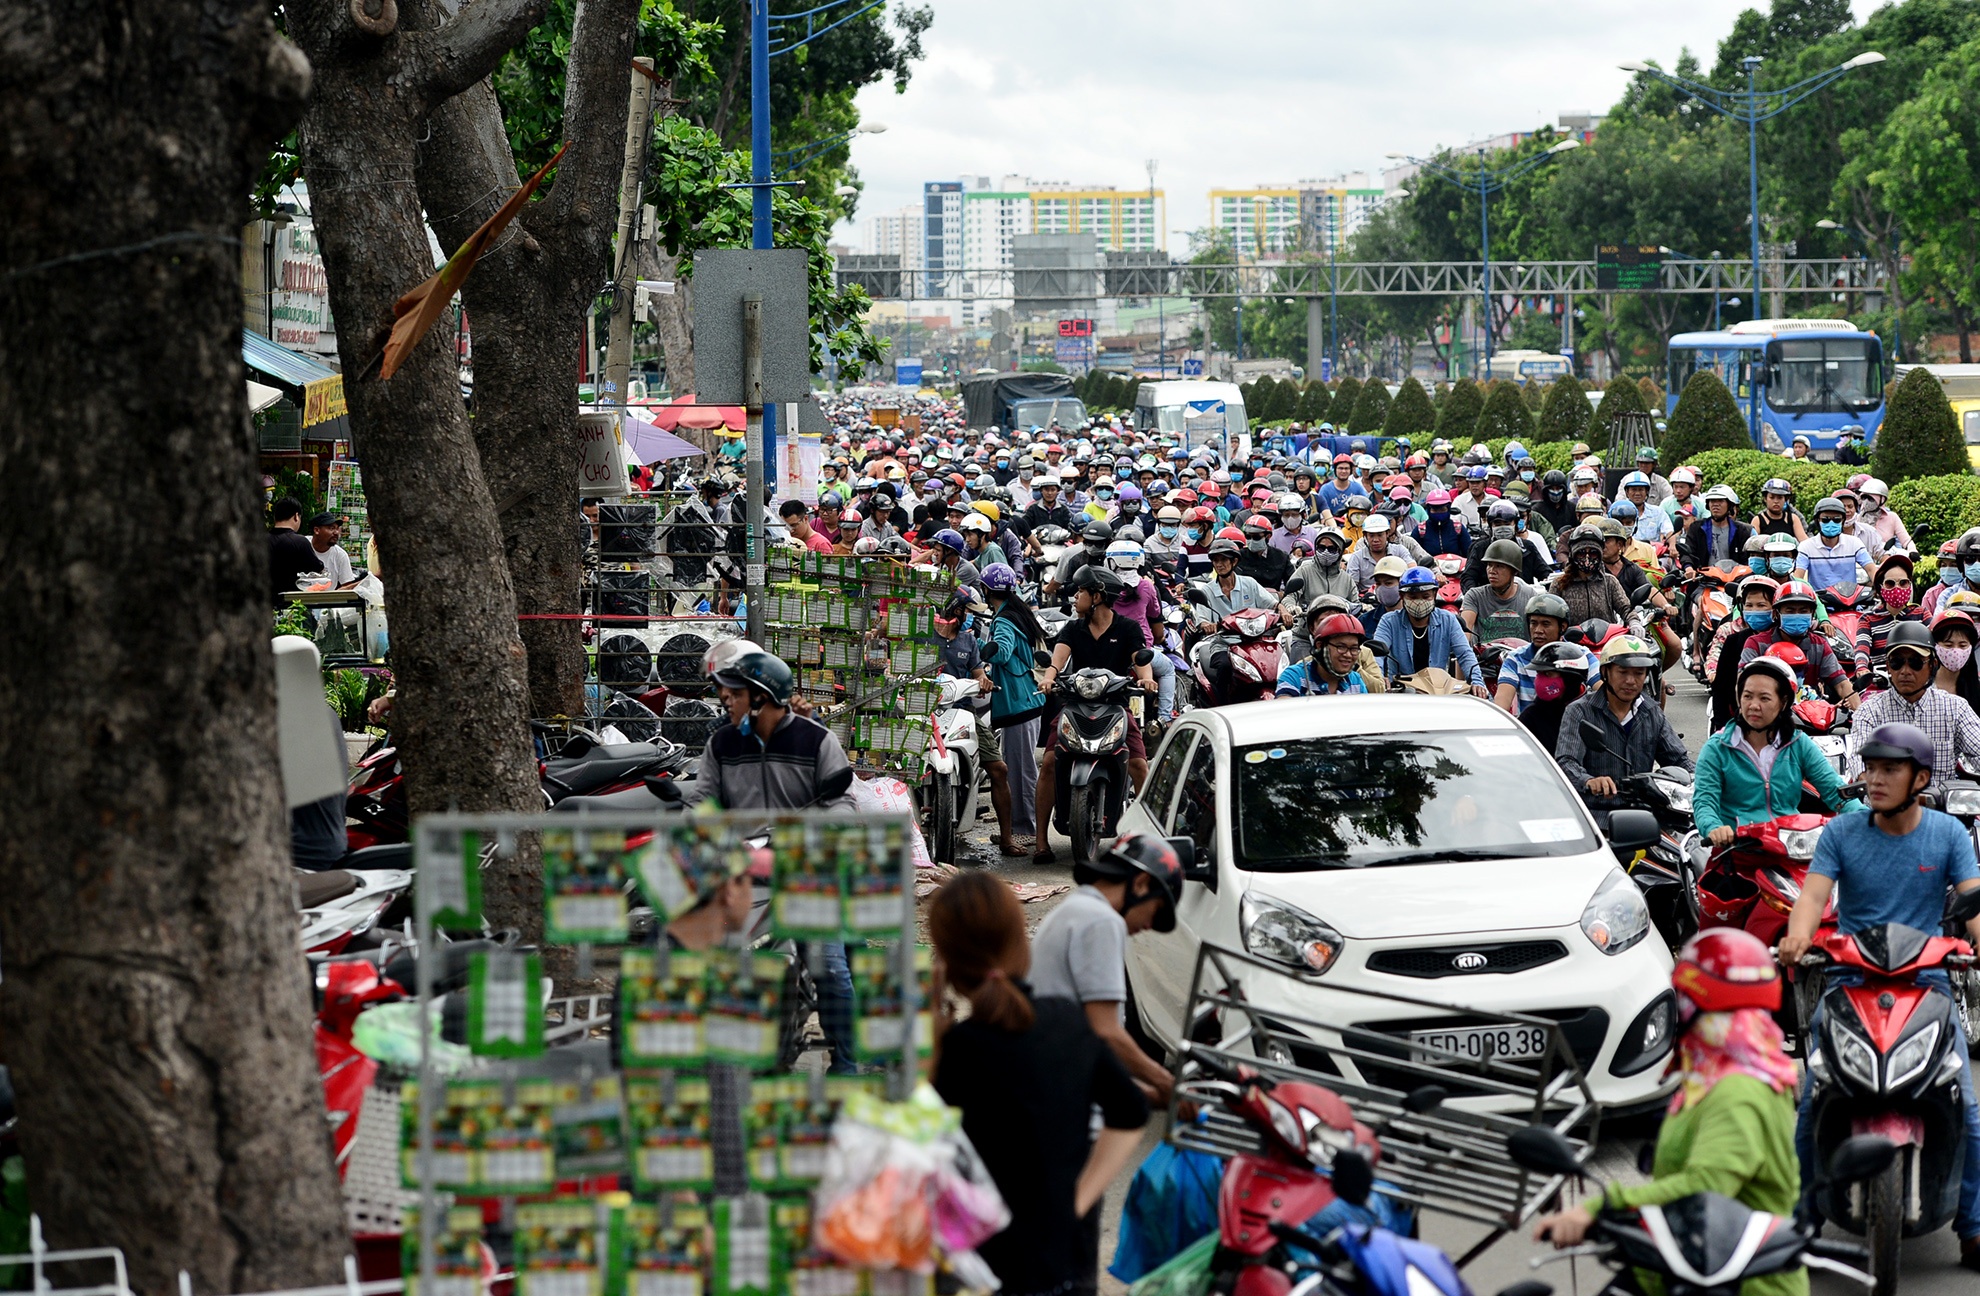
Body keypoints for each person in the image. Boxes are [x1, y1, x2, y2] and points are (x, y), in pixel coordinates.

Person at [1778, 722, 1980, 1268]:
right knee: (1813, 1101)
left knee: (1969, 1107)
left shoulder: (1948, 835)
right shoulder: (1843, 833)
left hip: (1928, 985)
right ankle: (1800, 1220)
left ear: (1921, 778)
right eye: (1870, 768)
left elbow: (1971, 903)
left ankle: (1974, 1227)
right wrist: (1798, 937)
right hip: (1850, 982)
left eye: (1890, 769)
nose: (1875, 778)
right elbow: (1813, 896)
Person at [1533, 930, 1805, 1296]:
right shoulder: (1717, 1076)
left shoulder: (1737, 1090)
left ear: (1694, 1005)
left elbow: (1705, 1188)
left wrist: (1598, 1209)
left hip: (1737, 1281)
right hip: (1688, 1265)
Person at [929, 872, 1149, 1296]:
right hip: (1063, 1263)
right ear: (1020, 942)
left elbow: (922, 1144)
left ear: (947, 960)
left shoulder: (960, 1049)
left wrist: (934, 1032)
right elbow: (1131, 1113)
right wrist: (1077, 1203)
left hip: (990, 1268)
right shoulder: (1068, 1021)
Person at [1028, 832, 1182, 1108]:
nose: (1149, 925)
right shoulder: (1101, 921)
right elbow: (1106, 1033)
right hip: (1061, 1103)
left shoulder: (1078, 909)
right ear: (1142, 884)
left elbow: (1090, 1049)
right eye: (1155, 911)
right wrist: (1166, 1082)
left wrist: (1148, 1095)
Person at [1033, 566, 1155, 864]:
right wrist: (1048, 678)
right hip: (1074, 704)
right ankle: (1040, 842)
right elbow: (1057, 660)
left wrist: (1147, 678)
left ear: (1098, 596)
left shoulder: (1127, 628)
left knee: (1139, 764)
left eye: (1080, 592)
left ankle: (1152, 838)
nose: (1075, 598)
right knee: (1049, 761)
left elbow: (1141, 661)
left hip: (1116, 705)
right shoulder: (1073, 628)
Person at [1693, 658, 1862, 846]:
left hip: (1792, 847)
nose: (1754, 705)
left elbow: (1835, 792)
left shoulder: (1799, 744)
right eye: (1747, 696)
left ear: (1783, 703)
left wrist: (1869, 821)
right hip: (1736, 852)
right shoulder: (1717, 747)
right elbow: (1705, 801)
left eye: (1764, 698)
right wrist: (1714, 828)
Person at [1554, 636, 1694, 825]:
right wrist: (1588, 781)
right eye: (1622, 672)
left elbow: (1679, 760)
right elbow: (1566, 762)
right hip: (1595, 817)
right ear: (1605, 672)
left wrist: (1706, 779)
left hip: (1645, 818)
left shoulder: (1652, 711)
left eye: (1638, 673)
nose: (1630, 681)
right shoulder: (1579, 711)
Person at [1846, 622, 1980, 794]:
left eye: (1915, 662)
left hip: (1942, 814)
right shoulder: (1868, 712)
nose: (1905, 671)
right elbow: (1859, 763)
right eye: (1897, 662)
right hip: (1886, 814)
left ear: (1932, 665)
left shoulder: (1956, 708)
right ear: (1887, 667)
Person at [981, 564, 1047, 856]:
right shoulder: (1014, 612)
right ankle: (1021, 826)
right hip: (1025, 699)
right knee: (1018, 767)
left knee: (1021, 771)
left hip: (1019, 701)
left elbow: (1003, 651)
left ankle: (1026, 830)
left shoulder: (1004, 621)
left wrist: (984, 647)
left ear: (987, 590)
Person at [1738, 582, 1860, 709]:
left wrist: (1858, 711)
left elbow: (1841, 684)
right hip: (1768, 714)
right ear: (1776, 613)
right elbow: (1742, 682)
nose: (1796, 615)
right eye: (1790, 611)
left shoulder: (1819, 644)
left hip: (1812, 716)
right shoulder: (1756, 643)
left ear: (1812, 613)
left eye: (1803, 611)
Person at [1373, 566, 1488, 696]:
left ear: (1434, 594)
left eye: (1425, 596)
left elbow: (1465, 653)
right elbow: (1377, 654)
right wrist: (1378, 677)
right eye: (1412, 596)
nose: (1419, 602)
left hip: (1439, 693)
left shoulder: (1448, 619)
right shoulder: (1389, 621)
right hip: (1402, 693)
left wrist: (1477, 681)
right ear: (1402, 596)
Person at [1495, 593, 1597, 714]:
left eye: (1546, 624)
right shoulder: (1516, 659)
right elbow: (1501, 705)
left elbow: (1603, 691)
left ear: (1562, 627)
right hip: (1533, 729)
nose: (1538, 630)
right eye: (1533, 623)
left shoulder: (1582, 655)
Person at [1706, 577, 1780, 731]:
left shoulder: (1786, 638)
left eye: (1761, 605)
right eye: (1749, 606)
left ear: (1775, 609)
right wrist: (1722, 729)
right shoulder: (1734, 640)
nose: (1755, 610)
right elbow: (1721, 688)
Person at [1852, 553, 1922, 686]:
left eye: (1903, 583)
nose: (1897, 588)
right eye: (1890, 584)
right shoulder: (1868, 619)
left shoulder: (1921, 614)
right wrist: (1862, 668)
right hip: (1881, 685)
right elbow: (1861, 648)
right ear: (1880, 587)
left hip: (1916, 683)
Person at [1515, 642, 1590, 753]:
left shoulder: (1593, 712)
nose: (1540, 681)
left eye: (1548, 674)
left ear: (1570, 678)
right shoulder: (1532, 716)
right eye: (1539, 673)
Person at [1277, 610, 1374, 696]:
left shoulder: (1355, 681)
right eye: (1341, 647)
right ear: (1320, 645)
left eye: (1353, 649)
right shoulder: (1294, 676)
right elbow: (1284, 711)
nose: (1348, 655)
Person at [1551, 525, 1632, 626]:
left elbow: (1625, 608)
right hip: (1571, 639)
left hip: (1606, 639)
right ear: (1573, 555)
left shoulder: (1609, 582)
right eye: (1581, 553)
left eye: (1593, 553)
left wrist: (1634, 622)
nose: (1587, 558)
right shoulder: (1559, 583)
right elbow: (1551, 616)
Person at [1460, 540, 1534, 645]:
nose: (1492, 571)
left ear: (1514, 570)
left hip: (1519, 659)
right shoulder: (1475, 596)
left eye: (1499, 566)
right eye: (1489, 565)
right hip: (1484, 659)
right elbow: (1464, 633)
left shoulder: (1530, 596)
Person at [1794, 497, 1871, 593]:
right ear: (1818, 521)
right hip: (1819, 603)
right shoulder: (1806, 547)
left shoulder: (1855, 543)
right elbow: (1798, 577)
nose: (1831, 523)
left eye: (1837, 519)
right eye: (1825, 520)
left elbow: (1871, 570)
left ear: (1843, 521)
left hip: (1850, 601)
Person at [1678, 485, 1753, 574]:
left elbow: (1747, 559)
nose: (1715, 504)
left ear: (1730, 505)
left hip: (1734, 580)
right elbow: (1688, 553)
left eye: (1720, 501)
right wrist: (1688, 568)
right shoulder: (1697, 528)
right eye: (1712, 501)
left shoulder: (1741, 531)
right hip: (1703, 580)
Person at [268, 497, 325, 604]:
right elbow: (318, 570)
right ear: (296, 516)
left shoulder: (257, 541)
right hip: (293, 607)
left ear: (275, 517)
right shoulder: (299, 542)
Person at [1935, 608, 1980, 717]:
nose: (1956, 651)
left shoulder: (1976, 688)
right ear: (1935, 646)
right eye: (1948, 645)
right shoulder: (1924, 687)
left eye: (1962, 646)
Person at [306, 512, 360, 587]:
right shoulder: (301, 545)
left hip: (328, 598)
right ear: (316, 530)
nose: (336, 532)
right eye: (331, 528)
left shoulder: (340, 555)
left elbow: (347, 586)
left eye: (337, 528)